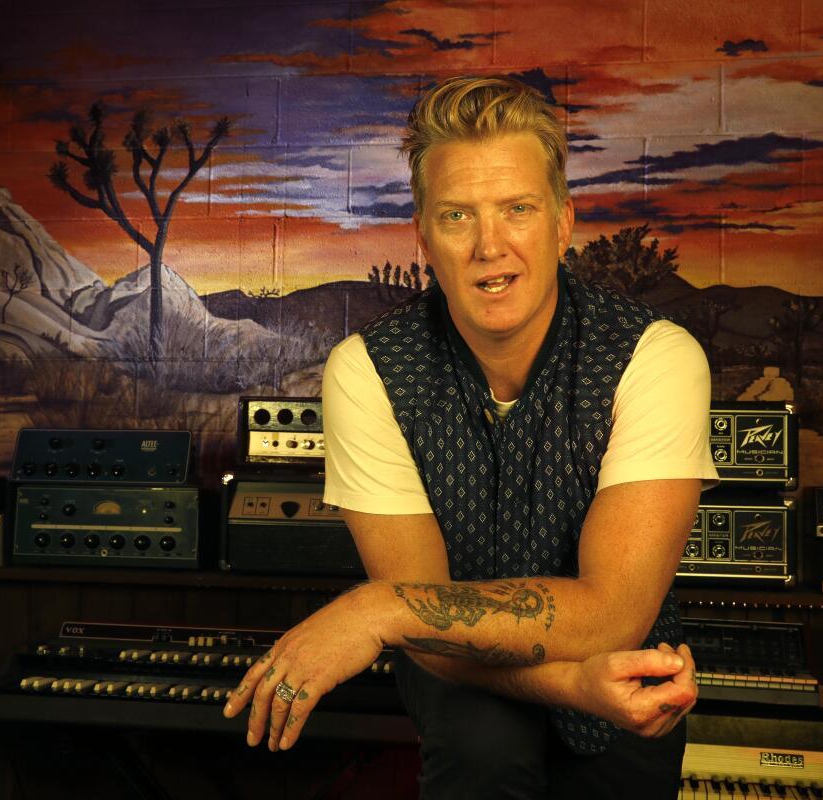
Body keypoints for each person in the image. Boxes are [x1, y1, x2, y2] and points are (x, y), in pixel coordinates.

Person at [223, 75, 718, 799]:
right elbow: (428, 628)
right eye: (458, 216)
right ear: (424, 236)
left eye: (518, 209)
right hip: (465, 684)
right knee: (482, 746)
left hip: (627, 687)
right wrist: (571, 684)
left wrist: (376, 609)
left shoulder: (655, 356)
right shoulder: (367, 371)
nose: (491, 245)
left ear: (561, 223)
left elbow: (613, 615)